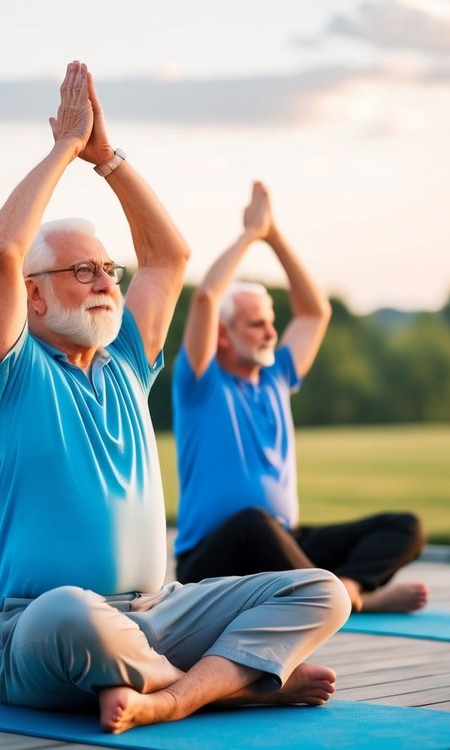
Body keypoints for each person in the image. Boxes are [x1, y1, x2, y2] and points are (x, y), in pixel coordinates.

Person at [0, 61, 350, 734]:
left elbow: (168, 258)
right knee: (69, 610)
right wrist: (64, 146)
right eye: (81, 271)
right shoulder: (11, 371)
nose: (103, 282)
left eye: (107, 270)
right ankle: (226, 687)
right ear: (34, 294)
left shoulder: (125, 363)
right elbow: (2, 250)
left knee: (318, 590)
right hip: (34, 630)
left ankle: (171, 693)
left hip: (159, 613)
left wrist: (106, 158)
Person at [171, 181, 427, 613]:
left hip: (283, 544)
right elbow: (206, 298)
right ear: (223, 335)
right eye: (256, 325)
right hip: (212, 562)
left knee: (406, 526)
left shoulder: (276, 376)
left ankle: (347, 589)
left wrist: (275, 236)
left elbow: (314, 312)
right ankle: (340, 598)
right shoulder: (201, 383)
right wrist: (249, 236)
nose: (271, 332)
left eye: (271, 322)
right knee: (254, 521)